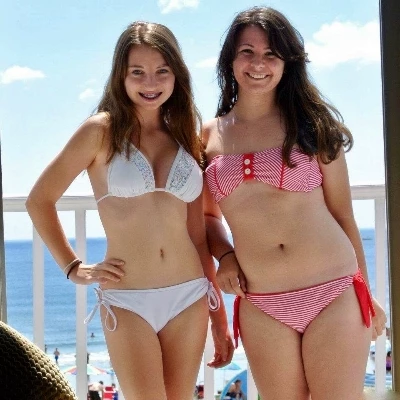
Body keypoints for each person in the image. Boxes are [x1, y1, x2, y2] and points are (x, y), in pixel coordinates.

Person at [26, 21, 233, 399]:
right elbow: (39, 199)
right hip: (127, 297)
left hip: (189, 294)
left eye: (161, 71)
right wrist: (74, 267)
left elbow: (197, 234)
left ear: (176, 74)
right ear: (120, 76)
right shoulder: (100, 131)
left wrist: (219, 315)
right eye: (137, 72)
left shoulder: (183, 134)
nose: (150, 82)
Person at [202, 7, 387, 400]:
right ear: (230, 59)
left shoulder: (314, 127)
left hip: (334, 291)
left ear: (287, 62)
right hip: (261, 302)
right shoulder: (207, 136)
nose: (258, 64)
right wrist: (225, 256)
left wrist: (366, 296)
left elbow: (343, 216)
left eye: (271, 54)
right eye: (247, 52)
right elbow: (205, 216)